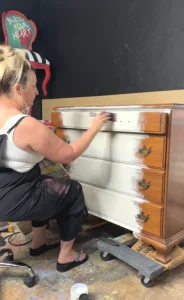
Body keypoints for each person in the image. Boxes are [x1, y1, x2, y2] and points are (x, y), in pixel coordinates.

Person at [0, 45, 110, 272]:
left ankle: (38, 243)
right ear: (18, 89)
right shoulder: (25, 124)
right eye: (33, 87)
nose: (38, 92)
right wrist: (94, 127)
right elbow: (69, 154)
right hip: (13, 201)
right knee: (72, 190)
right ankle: (67, 255)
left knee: (37, 177)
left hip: (5, 194)